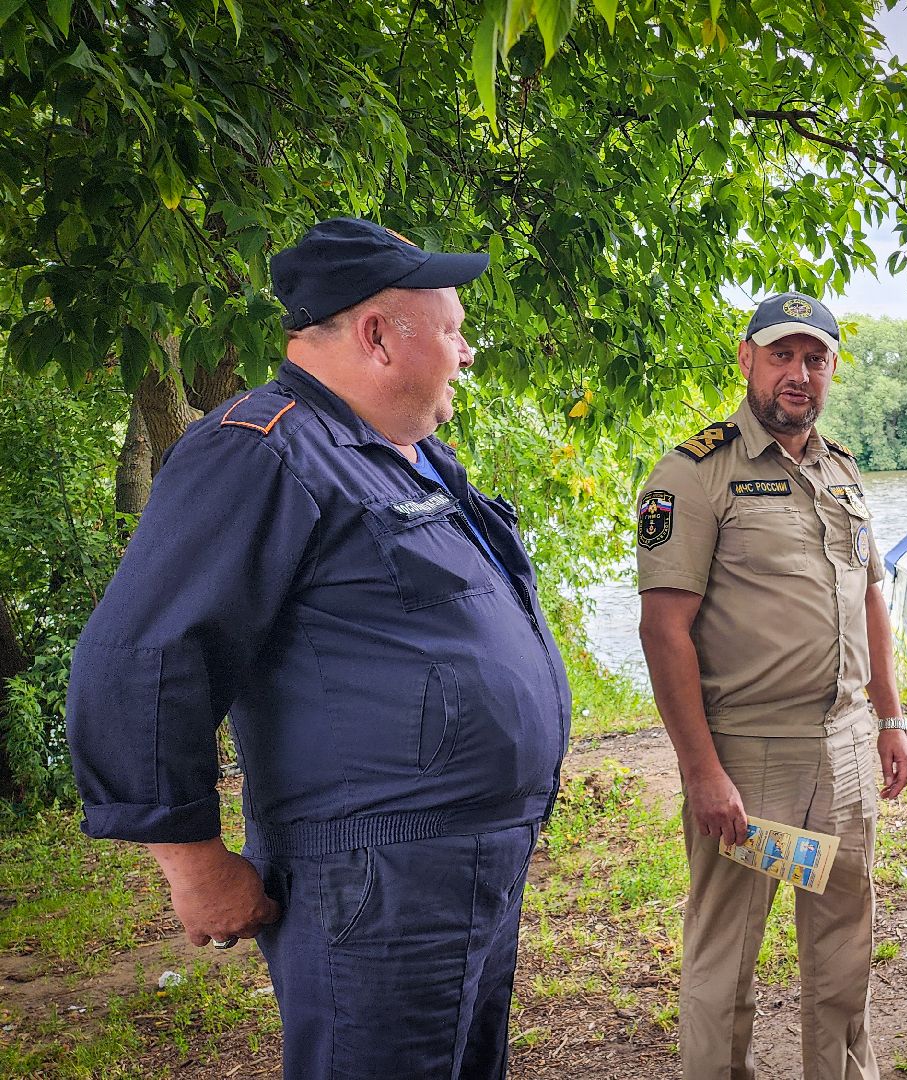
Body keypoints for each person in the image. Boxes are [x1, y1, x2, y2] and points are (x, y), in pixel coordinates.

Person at [66, 217, 572, 1079]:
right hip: (378, 881)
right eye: (452, 330)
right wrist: (193, 861)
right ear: (377, 334)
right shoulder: (260, 452)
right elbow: (138, 656)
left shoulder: (399, 456)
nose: (468, 352)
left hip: (467, 861)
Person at [636, 291, 907, 1080]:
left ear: (831, 370)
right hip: (749, 761)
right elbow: (664, 631)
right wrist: (702, 771)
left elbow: (868, 597)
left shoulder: (841, 470)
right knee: (727, 964)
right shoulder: (693, 474)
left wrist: (890, 720)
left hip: (847, 751)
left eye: (815, 358)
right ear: (747, 359)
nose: (800, 373)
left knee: (843, 952)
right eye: (783, 355)